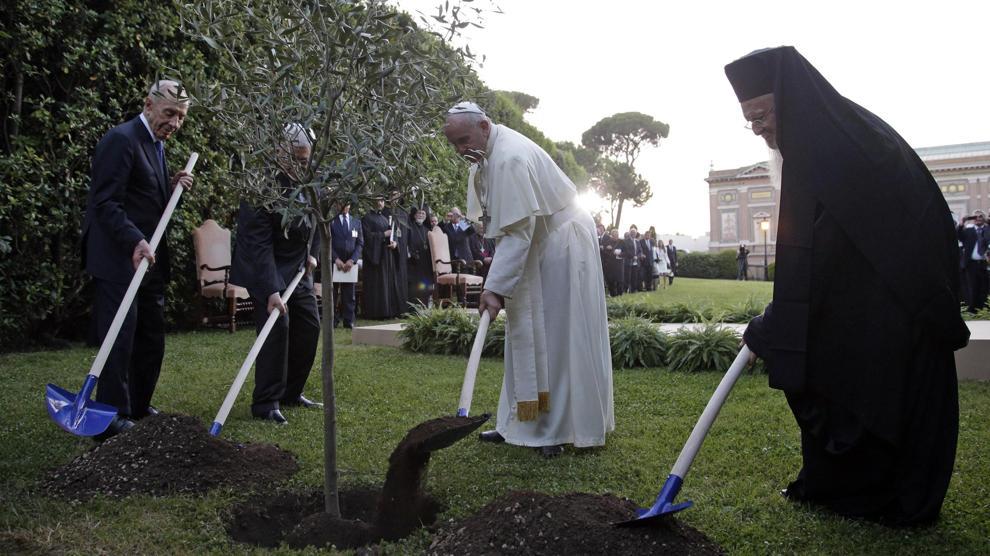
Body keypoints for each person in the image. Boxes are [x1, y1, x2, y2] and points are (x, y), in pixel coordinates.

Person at [728, 46, 969, 526]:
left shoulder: (834, 149)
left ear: (788, 100)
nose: (757, 130)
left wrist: (775, 321)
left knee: (875, 395)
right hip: (871, 300)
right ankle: (843, 485)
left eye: (760, 116)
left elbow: (823, 255)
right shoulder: (826, 138)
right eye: (748, 121)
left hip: (897, 305)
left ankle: (881, 494)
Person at [443, 101, 614, 458]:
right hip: (538, 240)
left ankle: (556, 430)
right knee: (523, 332)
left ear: (485, 126)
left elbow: (516, 233)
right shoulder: (489, 153)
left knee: (557, 336)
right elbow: (509, 227)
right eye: (455, 144)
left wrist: (494, 289)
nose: (461, 150)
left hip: (561, 243)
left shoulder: (510, 159)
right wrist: (498, 286)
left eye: (464, 140)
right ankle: (517, 422)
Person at [82, 80, 194, 439]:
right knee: (121, 337)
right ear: (148, 105)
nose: (175, 123)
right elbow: (106, 203)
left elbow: (144, 197)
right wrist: (134, 240)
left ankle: (140, 406)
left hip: (147, 261)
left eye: (181, 117)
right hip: (119, 258)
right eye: (170, 113)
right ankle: (112, 415)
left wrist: (171, 184)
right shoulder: (121, 139)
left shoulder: (156, 145)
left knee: (150, 337)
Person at [231, 123, 323, 425]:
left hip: (297, 270)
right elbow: (258, 244)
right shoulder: (261, 187)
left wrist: (312, 253)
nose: (301, 166)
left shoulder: (309, 184)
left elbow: (320, 220)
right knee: (277, 328)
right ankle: (266, 402)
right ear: (279, 152)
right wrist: (271, 289)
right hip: (266, 268)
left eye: (305, 159)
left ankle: (291, 392)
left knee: (309, 325)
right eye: (295, 159)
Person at [361, 196, 401, 319]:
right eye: (377, 200)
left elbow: (392, 235)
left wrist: (394, 243)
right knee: (377, 284)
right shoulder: (367, 218)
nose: (380, 203)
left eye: (382, 201)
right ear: (372, 202)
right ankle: (376, 312)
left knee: (388, 283)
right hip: (375, 258)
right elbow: (366, 237)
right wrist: (383, 235)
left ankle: (388, 311)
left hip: (387, 256)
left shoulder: (384, 219)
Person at [330, 199, 363, 328]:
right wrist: (335, 259)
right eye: (341, 203)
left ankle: (349, 321)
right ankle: (332, 321)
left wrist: (352, 260)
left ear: (349, 205)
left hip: (350, 264)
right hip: (335, 263)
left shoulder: (356, 222)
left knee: (349, 294)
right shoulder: (331, 221)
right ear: (337, 205)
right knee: (333, 293)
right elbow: (328, 242)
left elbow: (360, 243)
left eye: (347, 203)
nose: (344, 206)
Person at [957, 212, 989, 313]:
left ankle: (984, 308)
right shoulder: (969, 230)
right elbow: (958, 235)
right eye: (976, 217)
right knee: (972, 286)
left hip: (985, 263)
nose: (978, 218)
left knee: (984, 287)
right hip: (971, 264)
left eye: (980, 217)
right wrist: (962, 223)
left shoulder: (987, 229)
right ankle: (972, 310)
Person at [406, 207, 435, 307]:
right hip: (414, 262)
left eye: (423, 213)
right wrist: (411, 254)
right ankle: (413, 307)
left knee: (425, 284)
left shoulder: (428, 230)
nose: (421, 215)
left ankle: (425, 305)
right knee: (415, 285)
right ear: (414, 215)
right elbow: (407, 244)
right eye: (419, 213)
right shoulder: (409, 228)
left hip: (425, 262)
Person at [623, 225, 644, 292]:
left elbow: (640, 251)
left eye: (634, 233)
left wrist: (637, 257)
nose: (633, 234)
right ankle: (625, 289)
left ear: (636, 234)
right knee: (627, 277)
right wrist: (633, 256)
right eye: (632, 232)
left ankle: (633, 290)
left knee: (634, 277)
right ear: (630, 233)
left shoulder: (637, 241)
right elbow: (626, 251)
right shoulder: (626, 241)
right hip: (628, 261)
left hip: (636, 262)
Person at [605, 228, 625, 297]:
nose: (615, 236)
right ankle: (613, 294)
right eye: (613, 235)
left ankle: (620, 295)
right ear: (611, 235)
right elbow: (604, 252)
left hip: (619, 264)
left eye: (616, 235)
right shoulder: (608, 242)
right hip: (611, 265)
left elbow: (627, 253)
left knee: (620, 281)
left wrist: (620, 254)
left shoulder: (622, 242)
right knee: (611, 281)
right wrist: (607, 249)